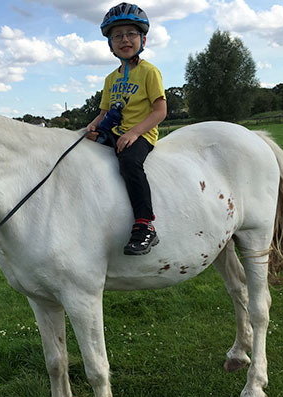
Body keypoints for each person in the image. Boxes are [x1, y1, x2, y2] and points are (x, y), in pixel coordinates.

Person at [86, 3, 167, 256]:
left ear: (142, 39)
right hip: (116, 131)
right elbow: (104, 112)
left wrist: (134, 133)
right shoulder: (111, 78)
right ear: (110, 44)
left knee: (130, 162)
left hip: (141, 134)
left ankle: (145, 225)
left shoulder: (149, 72)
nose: (124, 39)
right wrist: (92, 127)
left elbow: (160, 111)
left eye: (131, 33)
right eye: (117, 35)